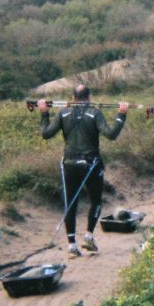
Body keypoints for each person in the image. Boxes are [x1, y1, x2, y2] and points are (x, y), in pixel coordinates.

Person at [39, 85, 127, 256]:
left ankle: (72, 245)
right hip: (91, 164)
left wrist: (43, 114)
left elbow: (46, 134)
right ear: (89, 96)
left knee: (70, 204)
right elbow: (111, 135)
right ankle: (88, 235)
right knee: (96, 201)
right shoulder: (95, 113)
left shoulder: (63, 113)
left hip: (70, 165)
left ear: (73, 96)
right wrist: (121, 116)